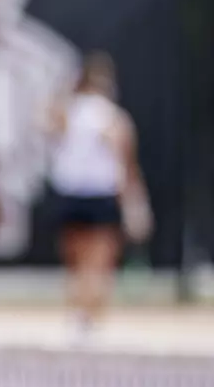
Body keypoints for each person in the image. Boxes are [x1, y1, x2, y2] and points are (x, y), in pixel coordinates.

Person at [45, 51, 150, 337]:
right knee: (98, 262)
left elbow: (47, 127)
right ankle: (90, 318)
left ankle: (79, 316)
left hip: (70, 193)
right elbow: (126, 162)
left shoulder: (68, 111)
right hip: (99, 194)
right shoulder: (113, 118)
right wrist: (134, 203)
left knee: (77, 262)